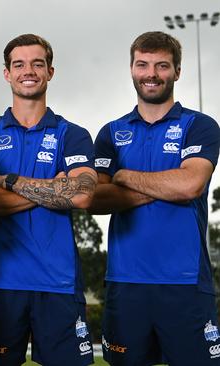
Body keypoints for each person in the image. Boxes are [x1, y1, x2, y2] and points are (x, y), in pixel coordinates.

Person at [89, 31, 220, 366]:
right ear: (132, 70)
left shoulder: (200, 126)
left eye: (162, 65)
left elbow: (190, 185)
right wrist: (163, 187)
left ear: (177, 71)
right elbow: (95, 199)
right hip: (125, 283)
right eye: (143, 64)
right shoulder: (111, 132)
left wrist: (123, 175)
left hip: (185, 282)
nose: (151, 73)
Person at [0, 34, 96, 366]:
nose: (29, 71)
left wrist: (8, 181)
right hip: (0, 283)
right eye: (19, 64)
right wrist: (52, 192)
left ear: (50, 72)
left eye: (37, 64)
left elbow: (81, 193)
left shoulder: (73, 134)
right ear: (7, 73)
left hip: (59, 283)